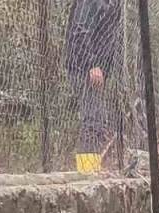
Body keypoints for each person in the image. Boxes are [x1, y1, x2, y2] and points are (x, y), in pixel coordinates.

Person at [65, 0, 122, 173]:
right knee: (93, 120)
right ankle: (87, 172)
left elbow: (109, 39)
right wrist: (92, 64)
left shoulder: (115, 4)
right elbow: (80, 30)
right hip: (83, 67)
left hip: (97, 69)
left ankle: (90, 169)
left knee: (97, 120)